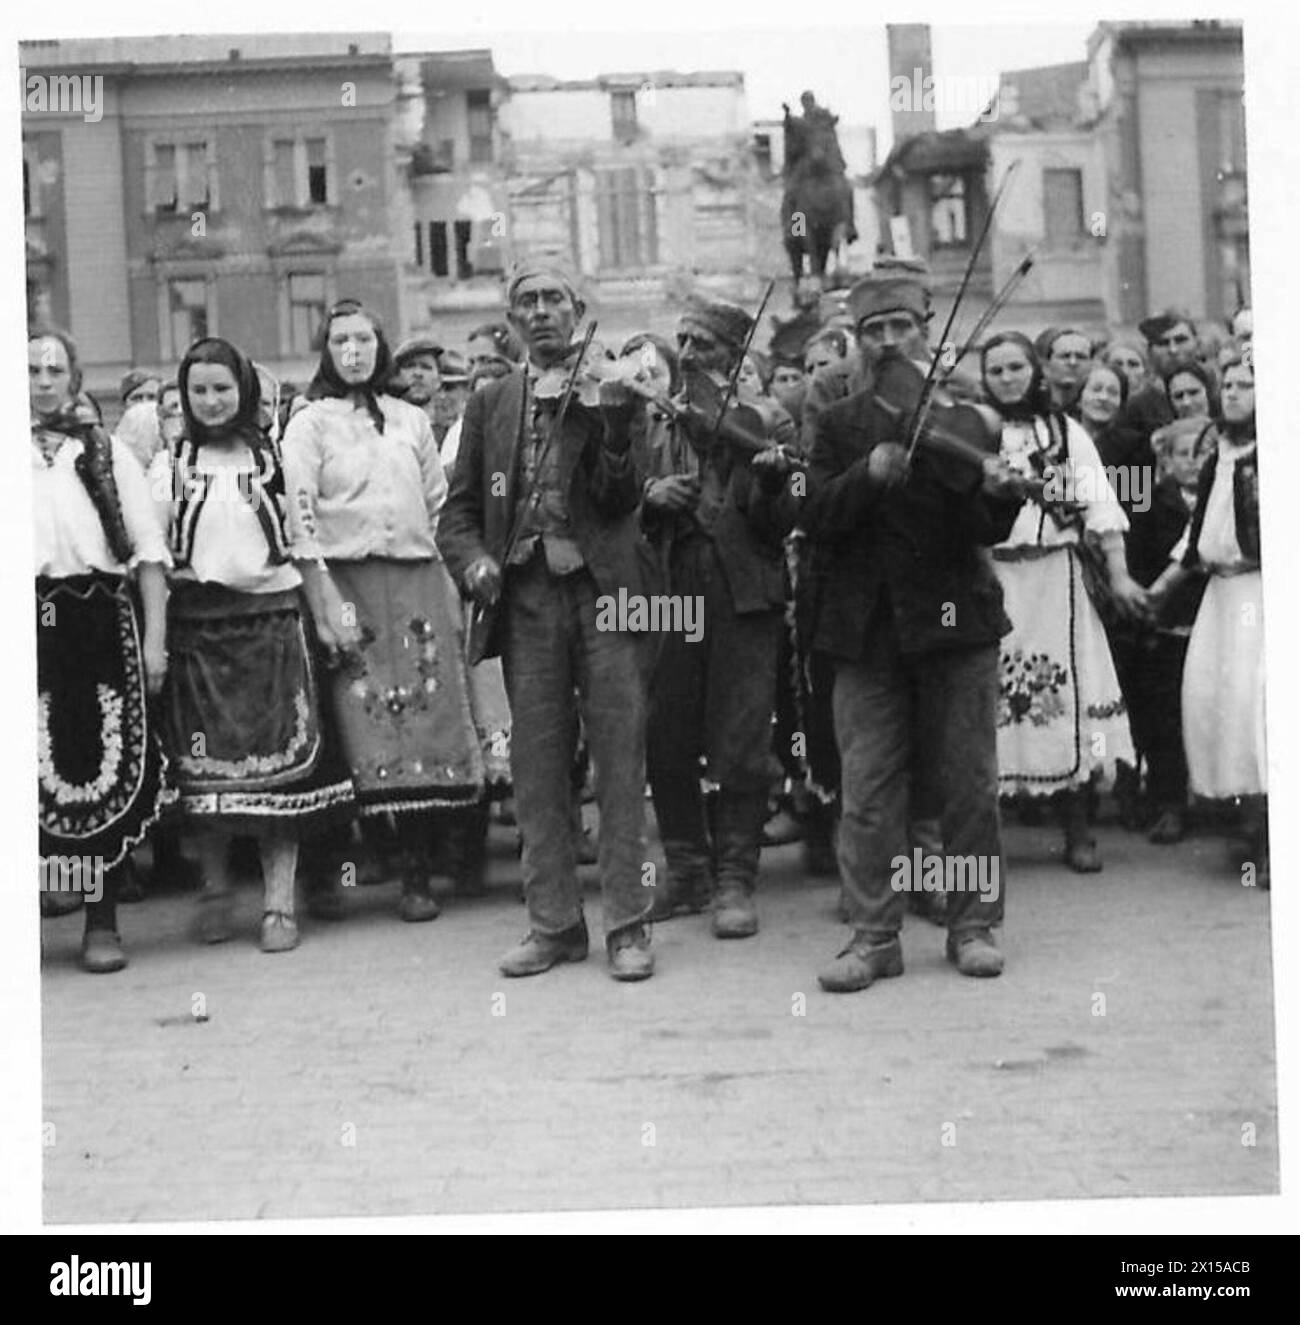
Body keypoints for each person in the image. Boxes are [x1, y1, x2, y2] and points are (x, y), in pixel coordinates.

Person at [802, 268, 1028, 993]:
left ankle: (972, 924)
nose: (890, 341)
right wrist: (866, 475)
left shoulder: (966, 420)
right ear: (859, 342)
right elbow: (813, 516)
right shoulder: (839, 423)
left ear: (926, 332)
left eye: (902, 326)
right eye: (874, 330)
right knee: (868, 789)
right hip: (866, 628)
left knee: (968, 783)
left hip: (955, 623)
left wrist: (1001, 496)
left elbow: (981, 527)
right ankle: (875, 936)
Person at [437, 262, 657, 981]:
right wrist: (475, 563)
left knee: (619, 760)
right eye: (526, 302)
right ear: (512, 320)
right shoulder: (491, 402)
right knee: (536, 769)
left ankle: (627, 924)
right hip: (527, 596)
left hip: (605, 593)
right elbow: (458, 514)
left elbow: (623, 498)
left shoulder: (614, 387)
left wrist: (616, 426)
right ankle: (554, 924)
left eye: (553, 299)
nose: (540, 312)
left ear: (577, 309)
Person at [283, 300, 485, 924]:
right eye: (340, 341)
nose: (353, 352)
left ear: (381, 347)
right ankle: (337, 871)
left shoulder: (409, 420)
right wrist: (323, 597)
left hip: (416, 580)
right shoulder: (310, 423)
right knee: (357, 719)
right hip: (346, 581)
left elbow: (439, 503)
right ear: (325, 351)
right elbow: (300, 513)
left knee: (423, 715)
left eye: (364, 340)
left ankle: (419, 872)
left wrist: (449, 582)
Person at [149, 339, 355, 951]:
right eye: (199, 390)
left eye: (222, 388)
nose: (211, 401)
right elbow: (152, 556)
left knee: (279, 776)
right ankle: (215, 893)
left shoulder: (276, 460)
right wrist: (155, 640)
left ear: (243, 391)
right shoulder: (171, 464)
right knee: (203, 776)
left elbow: (306, 548)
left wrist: (330, 619)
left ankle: (278, 906)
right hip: (197, 630)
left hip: (272, 625)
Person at [639, 295, 798, 938]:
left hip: (743, 592)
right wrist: (650, 497)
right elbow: (615, 501)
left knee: (741, 736)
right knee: (665, 731)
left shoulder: (769, 418)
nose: (687, 353)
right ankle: (687, 871)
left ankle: (736, 878)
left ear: (734, 357)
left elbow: (785, 522)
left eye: (702, 344)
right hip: (669, 588)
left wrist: (770, 482)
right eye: (682, 341)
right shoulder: (655, 420)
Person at [32, 328, 173, 973]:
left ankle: (101, 920)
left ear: (75, 378)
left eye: (54, 369)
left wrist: (155, 642)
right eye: (30, 370)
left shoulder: (103, 450)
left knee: (99, 769)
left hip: (98, 618)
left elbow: (148, 553)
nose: (42, 381)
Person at [980, 331, 1143, 871]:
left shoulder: (1063, 432)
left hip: (1056, 577)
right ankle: (987, 838)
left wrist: (1119, 575)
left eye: (1016, 368)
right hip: (993, 578)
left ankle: (1077, 830)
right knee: (990, 701)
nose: (1007, 378)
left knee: (1068, 696)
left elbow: (1100, 504)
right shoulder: (974, 431)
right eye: (996, 370)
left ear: (1035, 372)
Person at [1147, 356, 1266, 883]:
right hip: (1220, 598)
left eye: (1246, 385)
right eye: (1229, 384)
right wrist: (1160, 589)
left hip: (1262, 593)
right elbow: (1198, 534)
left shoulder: (1276, 452)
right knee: (1218, 702)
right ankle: (1250, 821)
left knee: (1256, 704)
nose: (1233, 393)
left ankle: (1273, 834)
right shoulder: (1220, 455)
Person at [1110, 417, 1208, 842]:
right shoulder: (1149, 502)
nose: (1193, 463)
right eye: (1183, 454)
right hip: (1166, 623)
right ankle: (1169, 801)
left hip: (1212, 617)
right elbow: (1138, 561)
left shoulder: (1222, 497)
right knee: (1164, 716)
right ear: (1165, 461)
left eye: (1202, 454)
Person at [1118, 310, 1200, 446]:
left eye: (1181, 340)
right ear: (1149, 351)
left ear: (1197, 343)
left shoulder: (1221, 391)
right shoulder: (1136, 408)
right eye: (1163, 343)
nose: (1173, 350)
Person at [1041, 328, 1094, 416]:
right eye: (1065, 356)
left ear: (1091, 365)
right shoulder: (1034, 409)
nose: (1073, 362)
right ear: (1047, 365)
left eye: (1081, 357)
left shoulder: (1096, 411)